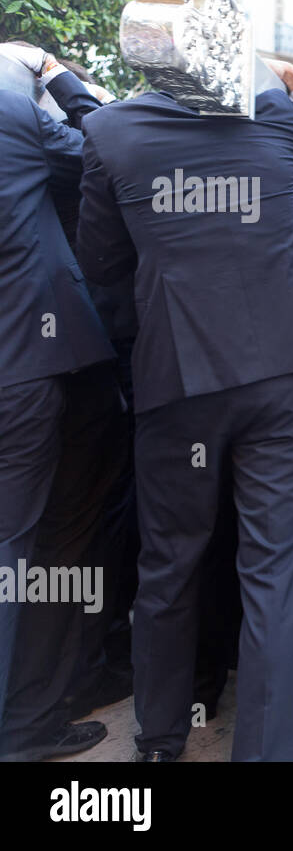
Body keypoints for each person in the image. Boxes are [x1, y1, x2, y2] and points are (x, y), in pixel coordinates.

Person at [76, 57, 293, 762]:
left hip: (179, 374)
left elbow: (101, 265)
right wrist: (280, 82)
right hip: (285, 368)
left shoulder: (110, 130)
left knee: (169, 566)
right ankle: (263, 750)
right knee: (274, 569)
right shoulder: (272, 115)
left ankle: (160, 741)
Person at [0, 42, 117, 760]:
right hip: (27, 365)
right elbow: (108, 142)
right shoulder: (16, 102)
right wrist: (55, 75)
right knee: (19, 552)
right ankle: (20, 730)